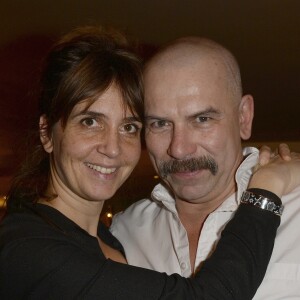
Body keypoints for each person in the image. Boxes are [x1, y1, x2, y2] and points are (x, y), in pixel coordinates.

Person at [0, 27, 298, 300]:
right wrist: (266, 189)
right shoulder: (28, 248)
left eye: (129, 126)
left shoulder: (115, 238)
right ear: (46, 133)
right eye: (90, 121)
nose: (179, 149)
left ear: (244, 117)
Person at [110, 37, 300, 299]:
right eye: (160, 124)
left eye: (202, 119)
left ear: (244, 117)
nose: (179, 149)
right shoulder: (124, 232)